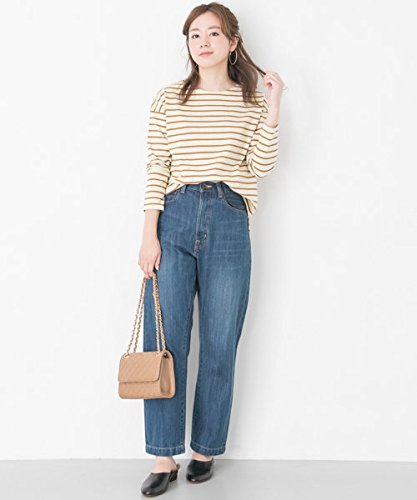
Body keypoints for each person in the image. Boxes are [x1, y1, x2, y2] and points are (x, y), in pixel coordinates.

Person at [138, 2, 286, 496]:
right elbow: (157, 165)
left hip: (228, 217)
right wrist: (148, 234)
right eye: (195, 35)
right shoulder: (167, 99)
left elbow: (261, 167)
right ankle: (163, 455)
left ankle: (204, 450)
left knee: (221, 342)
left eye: (214, 34)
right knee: (165, 342)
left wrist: (274, 106)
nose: (203, 42)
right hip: (174, 218)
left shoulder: (251, 101)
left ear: (232, 42)